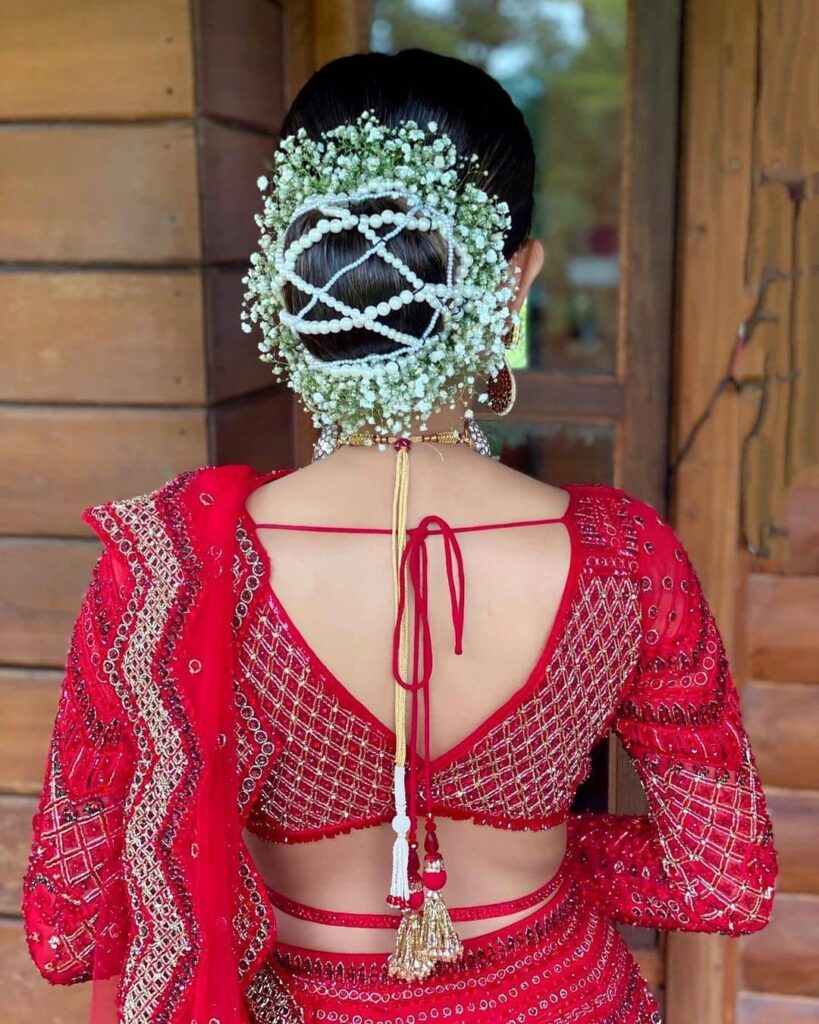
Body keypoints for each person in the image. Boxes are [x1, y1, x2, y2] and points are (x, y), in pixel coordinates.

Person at [22, 50, 777, 1024]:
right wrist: (525, 839)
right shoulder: (625, 562)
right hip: (560, 998)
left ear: (292, 287)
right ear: (513, 284)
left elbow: (71, 925)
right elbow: (724, 881)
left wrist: (225, 841)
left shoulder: (175, 566)